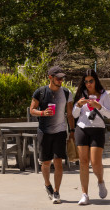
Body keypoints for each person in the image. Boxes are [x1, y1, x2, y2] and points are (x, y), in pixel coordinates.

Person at [29, 66, 75, 204]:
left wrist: (72, 131)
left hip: (60, 132)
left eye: (62, 78)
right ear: (50, 77)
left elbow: (70, 114)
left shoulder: (67, 93)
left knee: (58, 163)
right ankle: (47, 185)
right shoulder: (41, 92)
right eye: (58, 78)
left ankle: (56, 191)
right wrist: (42, 113)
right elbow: (32, 110)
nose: (61, 80)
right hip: (44, 131)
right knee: (46, 162)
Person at [72, 69, 110, 205]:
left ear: (96, 81)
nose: (88, 84)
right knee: (83, 162)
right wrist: (78, 105)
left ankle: (100, 181)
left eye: (91, 81)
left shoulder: (104, 95)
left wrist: (99, 106)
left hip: (98, 129)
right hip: (82, 128)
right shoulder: (81, 94)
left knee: (95, 162)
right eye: (86, 82)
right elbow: (74, 114)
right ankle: (84, 194)